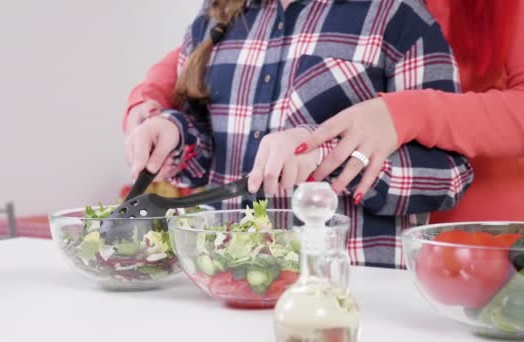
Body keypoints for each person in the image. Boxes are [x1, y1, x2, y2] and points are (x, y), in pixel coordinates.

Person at [124, 0, 473, 269]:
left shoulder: (397, 16)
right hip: (224, 283)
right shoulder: (215, 16)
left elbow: (449, 176)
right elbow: (204, 147)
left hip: (349, 294)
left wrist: (327, 156)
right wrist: (173, 135)